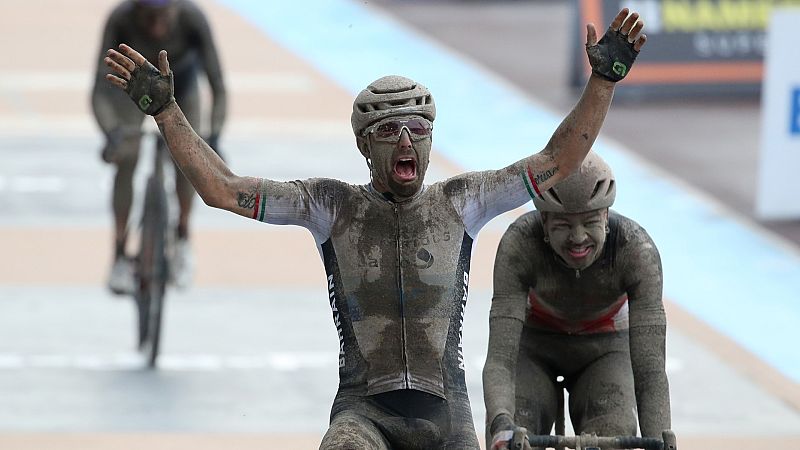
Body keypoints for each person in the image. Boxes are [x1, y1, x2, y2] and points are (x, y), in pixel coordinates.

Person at [102, 7, 645, 448]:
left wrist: (603, 82)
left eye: (418, 130)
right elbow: (221, 189)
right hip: (365, 415)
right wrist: (168, 111)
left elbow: (559, 159)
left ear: (431, 141)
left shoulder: (463, 202)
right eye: (390, 131)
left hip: (447, 419)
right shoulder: (329, 205)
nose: (407, 143)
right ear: (364, 144)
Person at [482, 152, 672, 450]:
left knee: (615, 429)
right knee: (518, 431)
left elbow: (650, 370)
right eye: (563, 225)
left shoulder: (636, 250)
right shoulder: (519, 244)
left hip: (605, 350)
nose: (578, 237)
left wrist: (662, 437)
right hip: (535, 348)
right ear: (543, 222)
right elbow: (500, 361)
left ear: (606, 217)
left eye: (590, 222)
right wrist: (500, 423)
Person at [91, 0, 227, 294]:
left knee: (190, 158)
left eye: (162, 17)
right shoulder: (120, 20)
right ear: (134, 11)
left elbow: (218, 86)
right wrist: (112, 133)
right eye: (147, 18)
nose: (155, 27)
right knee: (126, 155)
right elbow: (98, 91)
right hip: (132, 90)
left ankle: (182, 233)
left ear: (176, 10)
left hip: (183, 89)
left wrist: (214, 136)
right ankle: (118, 251)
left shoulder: (193, 19)